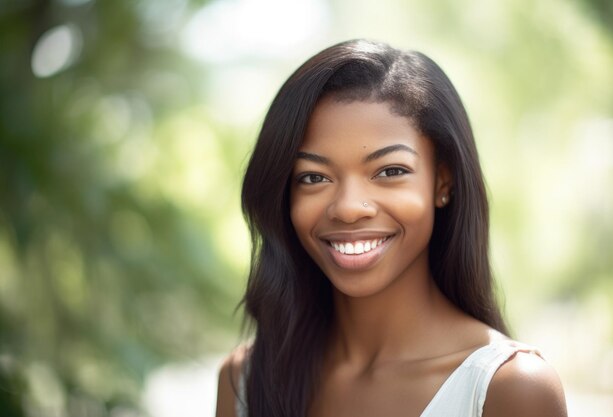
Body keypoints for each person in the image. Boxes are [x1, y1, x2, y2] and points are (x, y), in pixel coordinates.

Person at [216, 39, 567, 417]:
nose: (349, 208)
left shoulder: (510, 389)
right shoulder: (246, 381)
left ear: (442, 181)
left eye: (390, 171)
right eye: (314, 177)